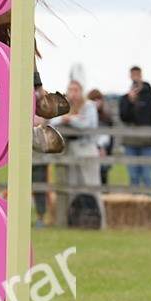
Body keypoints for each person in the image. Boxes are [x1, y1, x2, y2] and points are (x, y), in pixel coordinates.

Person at [46, 79, 101, 227]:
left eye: (76, 90)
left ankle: (97, 221)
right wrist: (70, 118)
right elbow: (52, 122)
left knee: (91, 184)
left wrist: (70, 120)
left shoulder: (89, 105)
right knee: (71, 185)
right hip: (69, 149)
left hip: (86, 147)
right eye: (71, 89)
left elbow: (88, 125)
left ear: (81, 91)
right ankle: (72, 221)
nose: (73, 93)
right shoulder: (63, 105)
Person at [118, 66, 151, 186]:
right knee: (133, 176)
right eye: (133, 75)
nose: (135, 77)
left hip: (147, 142)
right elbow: (124, 117)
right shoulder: (125, 98)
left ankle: (148, 198)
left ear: (141, 75)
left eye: (137, 74)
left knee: (147, 175)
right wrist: (130, 101)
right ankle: (134, 198)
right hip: (130, 142)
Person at [87, 88, 115, 184]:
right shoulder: (87, 118)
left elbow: (111, 138)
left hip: (104, 152)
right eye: (93, 100)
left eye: (98, 99)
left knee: (103, 179)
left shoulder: (107, 119)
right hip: (90, 151)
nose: (96, 102)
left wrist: (107, 151)